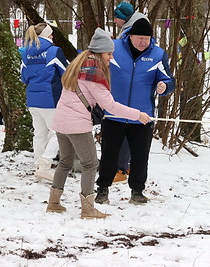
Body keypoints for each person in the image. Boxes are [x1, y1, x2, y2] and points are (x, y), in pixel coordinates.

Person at [46, 28, 151, 219]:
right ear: (100, 52)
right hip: (77, 125)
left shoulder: (77, 66)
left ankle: (53, 202)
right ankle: (88, 208)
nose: (111, 57)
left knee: (65, 162)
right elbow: (110, 105)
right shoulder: (93, 73)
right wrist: (138, 115)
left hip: (61, 121)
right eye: (109, 54)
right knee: (90, 164)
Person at [95, 18, 176, 205]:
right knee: (109, 155)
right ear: (130, 36)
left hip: (142, 116)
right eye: (140, 38)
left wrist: (165, 86)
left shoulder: (158, 54)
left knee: (140, 156)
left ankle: (137, 191)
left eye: (147, 39)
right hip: (113, 113)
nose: (143, 42)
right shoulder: (113, 48)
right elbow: (96, 67)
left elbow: (169, 79)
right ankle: (102, 189)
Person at [21, 23, 68, 181]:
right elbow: (67, 73)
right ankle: (45, 164)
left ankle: (38, 166)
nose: (53, 37)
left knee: (39, 134)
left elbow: (23, 77)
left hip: (32, 100)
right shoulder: (54, 51)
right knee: (58, 133)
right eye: (51, 34)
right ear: (47, 36)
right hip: (50, 99)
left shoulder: (26, 53)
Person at [112, 2, 151, 184]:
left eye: (116, 16)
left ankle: (121, 168)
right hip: (126, 90)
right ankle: (123, 165)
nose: (114, 20)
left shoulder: (134, 30)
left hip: (133, 93)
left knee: (128, 128)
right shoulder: (128, 30)